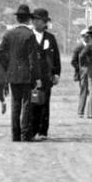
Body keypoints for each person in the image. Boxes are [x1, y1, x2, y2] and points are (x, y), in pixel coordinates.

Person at [0, 5, 42, 142]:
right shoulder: (30, 35)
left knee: (15, 104)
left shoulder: (9, 34)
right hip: (27, 75)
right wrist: (37, 77)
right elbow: (33, 59)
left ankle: (15, 135)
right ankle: (25, 134)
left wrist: (8, 66)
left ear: (17, 19)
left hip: (13, 74)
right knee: (27, 104)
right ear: (28, 19)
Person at [31, 8, 61, 138]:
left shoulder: (50, 38)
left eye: (39, 20)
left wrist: (56, 73)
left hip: (46, 76)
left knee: (44, 103)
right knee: (33, 102)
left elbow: (56, 58)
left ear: (44, 22)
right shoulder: (29, 37)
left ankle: (43, 131)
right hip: (32, 76)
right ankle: (33, 130)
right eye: (35, 20)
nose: (36, 22)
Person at [72, 30, 92, 117]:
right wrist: (80, 69)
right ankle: (81, 111)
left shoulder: (91, 46)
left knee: (91, 92)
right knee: (84, 91)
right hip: (83, 73)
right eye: (85, 36)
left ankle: (90, 112)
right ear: (82, 37)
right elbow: (73, 61)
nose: (87, 38)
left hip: (91, 72)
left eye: (88, 36)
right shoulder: (79, 47)